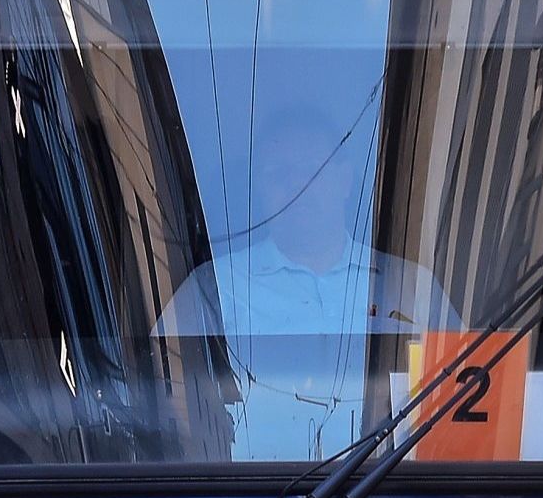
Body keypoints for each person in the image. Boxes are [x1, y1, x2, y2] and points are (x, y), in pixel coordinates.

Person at [157, 104, 458, 460]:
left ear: (345, 179)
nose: (298, 187)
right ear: (259, 187)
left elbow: (469, 391)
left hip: (392, 489)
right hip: (246, 488)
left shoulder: (411, 287)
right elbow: (161, 394)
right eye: (278, 174)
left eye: (313, 170)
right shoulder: (213, 290)